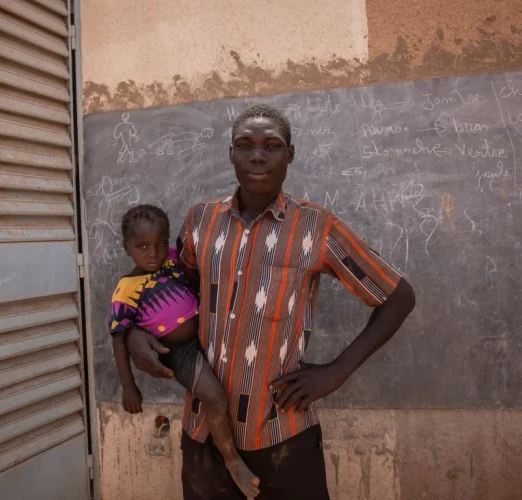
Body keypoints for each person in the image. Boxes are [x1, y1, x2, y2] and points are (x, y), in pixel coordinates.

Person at [126, 104, 416, 499]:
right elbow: (176, 294)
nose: (257, 155)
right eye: (244, 145)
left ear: (290, 154)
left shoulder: (316, 226)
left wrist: (337, 372)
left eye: (272, 145)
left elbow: (397, 297)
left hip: (282, 431)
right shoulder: (201, 220)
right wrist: (134, 333)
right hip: (204, 431)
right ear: (231, 153)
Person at [110, 204, 260, 498]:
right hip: (179, 351)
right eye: (142, 246)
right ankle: (232, 460)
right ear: (126, 248)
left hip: (209, 333)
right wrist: (128, 386)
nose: (153, 253)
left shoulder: (169, 260)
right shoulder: (126, 288)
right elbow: (118, 335)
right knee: (215, 398)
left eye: (160, 244)